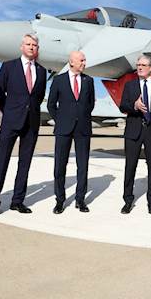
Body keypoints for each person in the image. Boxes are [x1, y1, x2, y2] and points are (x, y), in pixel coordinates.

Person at [0, 33, 47, 221]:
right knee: (1, 163)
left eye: (34, 45)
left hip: (31, 123)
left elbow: (38, 96)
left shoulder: (41, 71)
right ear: (21, 47)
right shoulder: (8, 66)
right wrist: (8, 110)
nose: (31, 47)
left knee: (24, 164)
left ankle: (17, 200)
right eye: (28, 44)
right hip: (11, 122)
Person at [118, 55, 151, 214]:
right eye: (138, 64)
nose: (140, 67)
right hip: (133, 132)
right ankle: (127, 200)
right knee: (130, 167)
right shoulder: (130, 85)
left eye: (143, 65)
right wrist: (134, 105)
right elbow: (122, 106)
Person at [47, 51, 95, 214]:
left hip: (83, 129)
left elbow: (90, 105)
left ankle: (80, 200)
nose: (84, 63)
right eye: (81, 60)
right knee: (60, 165)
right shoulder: (59, 80)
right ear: (72, 62)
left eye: (84, 60)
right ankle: (60, 200)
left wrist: (81, 117)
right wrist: (60, 120)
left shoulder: (89, 81)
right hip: (63, 129)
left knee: (83, 166)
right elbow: (51, 105)